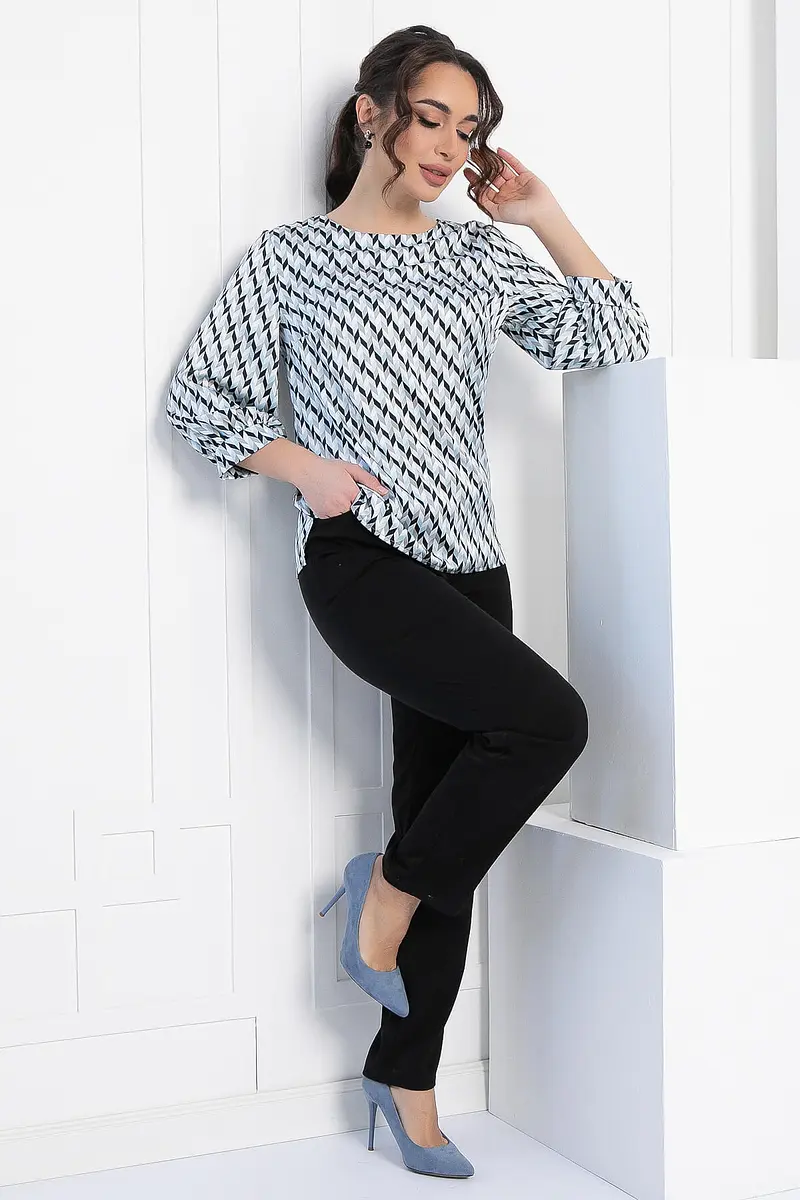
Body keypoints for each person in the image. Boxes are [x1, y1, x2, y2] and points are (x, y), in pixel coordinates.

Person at [165, 23, 650, 1176]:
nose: (447, 146)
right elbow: (201, 400)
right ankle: (380, 891)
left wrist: (540, 215)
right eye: (429, 117)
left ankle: (405, 1078)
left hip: (471, 566)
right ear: (369, 113)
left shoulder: (471, 256)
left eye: (467, 130)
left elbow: (614, 337)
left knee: (445, 820)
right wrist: (305, 469)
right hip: (360, 561)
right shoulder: (289, 259)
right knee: (548, 724)